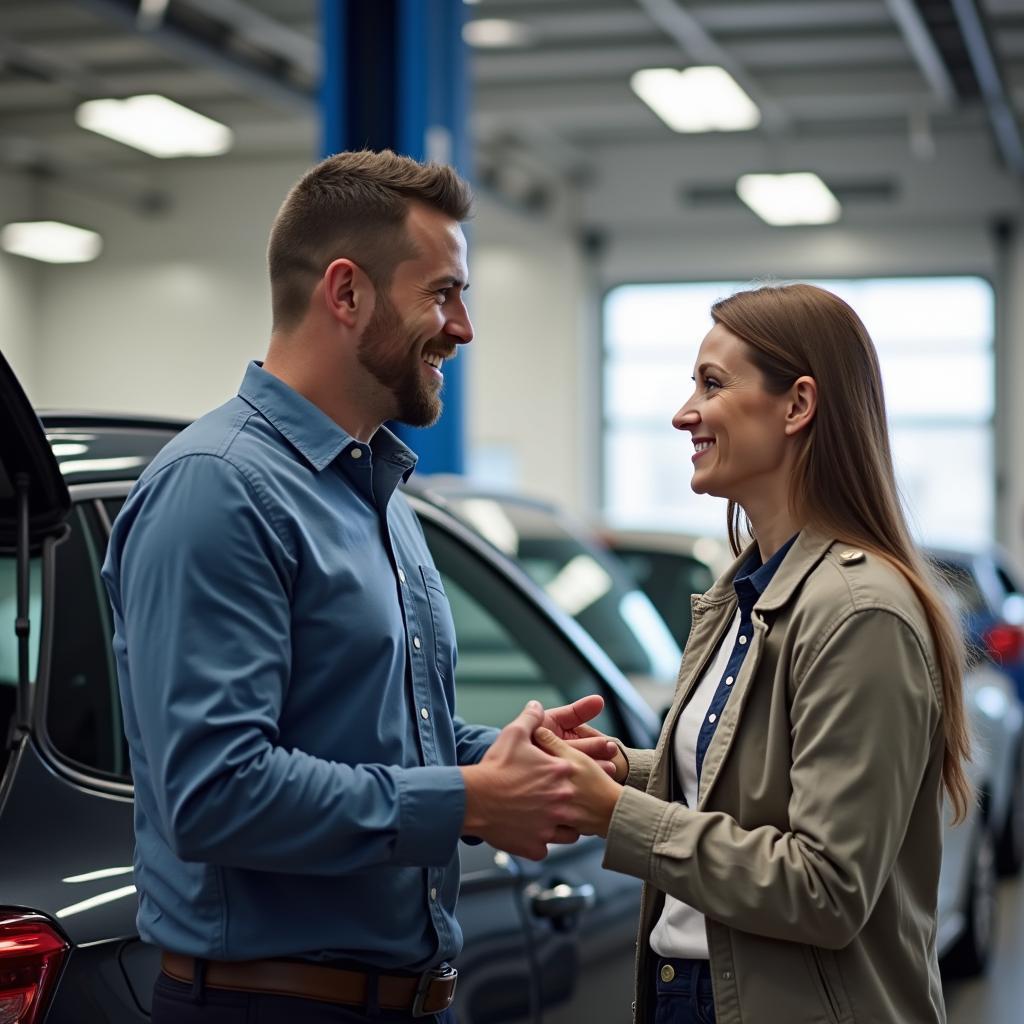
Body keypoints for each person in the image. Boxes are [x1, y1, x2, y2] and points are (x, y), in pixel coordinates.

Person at [101, 149, 614, 1024]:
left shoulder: (372, 489)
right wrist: (472, 801)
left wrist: (503, 761)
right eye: (444, 293)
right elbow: (215, 792)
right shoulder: (218, 489)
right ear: (346, 293)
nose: (464, 328)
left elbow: (377, 726)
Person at [535, 283, 970, 1024]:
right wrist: (624, 772)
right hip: (694, 990)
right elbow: (751, 782)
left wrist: (620, 817)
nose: (683, 414)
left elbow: (825, 887)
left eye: (712, 383)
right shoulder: (746, 589)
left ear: (798, 406)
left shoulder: (858, 613)